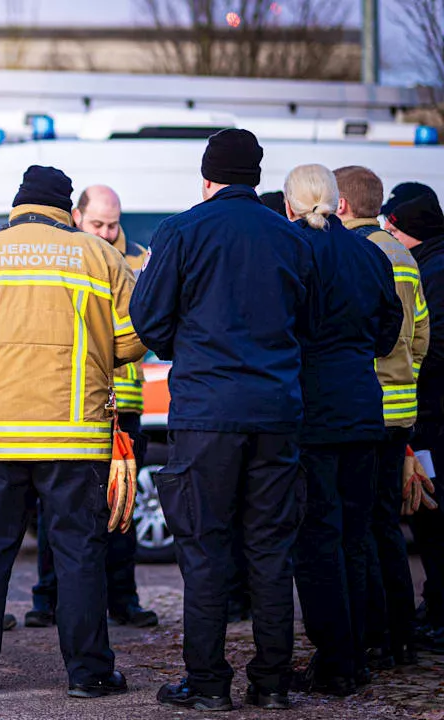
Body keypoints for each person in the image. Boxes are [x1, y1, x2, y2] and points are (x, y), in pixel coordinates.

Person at [0, 165, 143, 699]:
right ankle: (88, 674)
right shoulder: (100, 255)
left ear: (17, 206)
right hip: (73, 436)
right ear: (68, 211)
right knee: (79, 554)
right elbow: (133, 341)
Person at [132, 129, 314, 711]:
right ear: (256, 178)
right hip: (277, 411)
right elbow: (308, 323)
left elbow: (149, 318)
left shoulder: (182, 230)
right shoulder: (291, 238)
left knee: (205, 547)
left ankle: (208, 682)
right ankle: (273, 682)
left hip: (207, 411)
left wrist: (188, 344)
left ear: (207, 177)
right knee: (270, 548)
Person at [285, 164, 402, 695]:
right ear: (338, 202)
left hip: (310, 410)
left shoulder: (290, 249)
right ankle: (355, 654)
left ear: (291, 205)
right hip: (362, 406)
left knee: (316, 539)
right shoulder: (370, 253)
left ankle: (333, 660)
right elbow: (388, 330)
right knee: (356, 538)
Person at [27, 185, 159, 630]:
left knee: (121, 504)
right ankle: (48, 598)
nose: (105, 233)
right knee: (57, 507)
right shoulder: (67, 259)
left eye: (112, 224)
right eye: (96, 224)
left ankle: (123, 598)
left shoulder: (138, 263)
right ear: (76, 217)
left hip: (124, 407)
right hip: (73, 406)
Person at [335, 166, 430, 668]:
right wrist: (404, 377)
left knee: (359, 528)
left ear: (343, 206)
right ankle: (403, 636)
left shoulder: (353, 254)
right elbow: (420, 338)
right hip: (402, 410)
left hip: (362, 406)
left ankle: (371, 637)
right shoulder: (403, 256)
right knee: (388, 527)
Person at [389, 191, 444, 653]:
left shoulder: (431, 269)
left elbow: (429, 345)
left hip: (433, 417)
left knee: (433, 518)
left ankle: (440, 615)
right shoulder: (430, 262)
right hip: (429, 414)